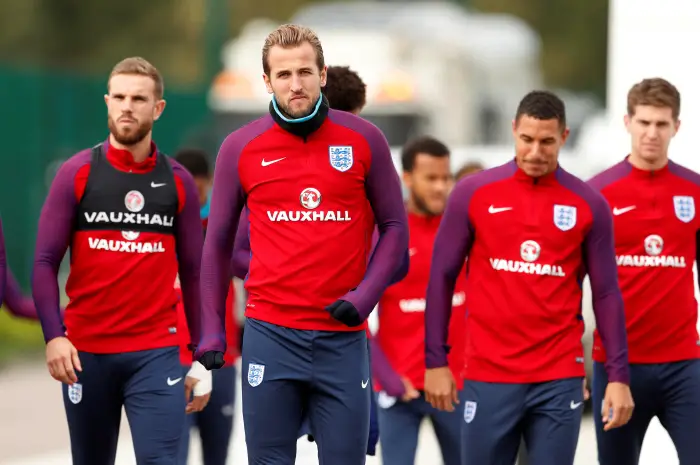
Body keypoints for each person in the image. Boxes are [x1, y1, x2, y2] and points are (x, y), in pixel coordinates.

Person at [196, 24, 409, 465]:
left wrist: (364, 297)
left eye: (305, 72)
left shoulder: (364, 140)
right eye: (284, 74)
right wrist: (213, 328)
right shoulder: (240, 147)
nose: (296, 84)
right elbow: (216, 245)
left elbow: (394, 227)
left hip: (343, 340)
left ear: (323, 74)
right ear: (267, 81)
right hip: (270, 337)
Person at [423, 90, 635, 465]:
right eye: (527, 139)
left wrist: (618, 377)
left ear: (564, 137)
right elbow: (441, 276)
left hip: (557, 377)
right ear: (514, 130)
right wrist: (435, 362)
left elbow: (606, 294)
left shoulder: (588, 204)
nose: (536, 152)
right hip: (488, 375)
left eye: (547, 141)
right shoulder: (473, 193)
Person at [31, 57, 211, 465]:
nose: (128, 106)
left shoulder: (178, 180)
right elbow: (44, 261)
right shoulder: (76, 174)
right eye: (120, 97)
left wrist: (204, 353)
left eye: (139, 98)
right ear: (108, 102)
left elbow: (195, 272)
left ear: (158, 108)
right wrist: (54, 336)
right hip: (85, 354)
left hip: (156, 352)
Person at [587, 77, 700, 465]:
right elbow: (570, 283)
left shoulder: (694, 191)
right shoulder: (598, 193)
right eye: (644, 122)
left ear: (676, 127)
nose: (652, 133)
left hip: (683, 363)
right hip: (618, 365)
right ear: (627, 122)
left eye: (661, 124)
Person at [371, 135, 466, 465]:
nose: (441, 187)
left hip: (459, 385)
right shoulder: (386, 236)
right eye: (431, 178)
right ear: (407, 178)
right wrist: (386, 375)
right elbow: (350, 314)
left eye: (446, 177)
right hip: (400, 389)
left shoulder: (465, 231)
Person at [173, 148, 239, 465]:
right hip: (173, 360)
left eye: (198, 187)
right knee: (173, 453)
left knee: (217, 456)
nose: (192, 195)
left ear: (210, 184)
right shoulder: (162, 232)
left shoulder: (223, 230)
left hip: (221, 363)